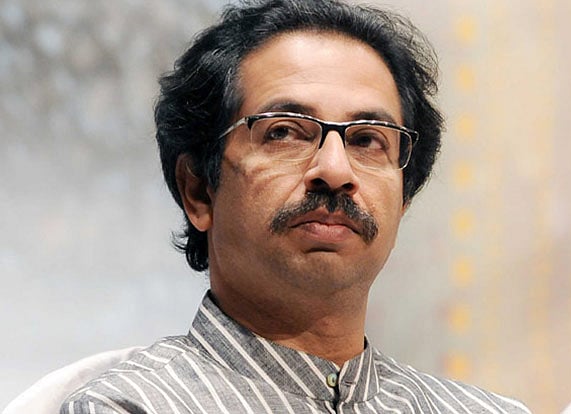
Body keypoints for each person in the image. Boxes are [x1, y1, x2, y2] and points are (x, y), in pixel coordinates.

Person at [62, 0, 531, 412]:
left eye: (368, 140)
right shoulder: (129, 405)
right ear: (199, 191)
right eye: (284, 132)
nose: (335, 170)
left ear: (404, 198)